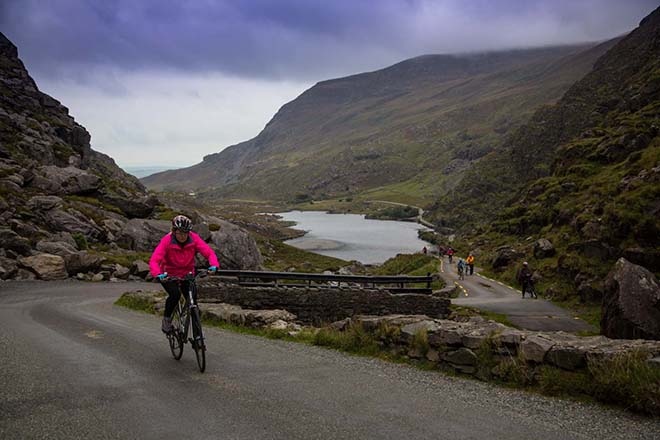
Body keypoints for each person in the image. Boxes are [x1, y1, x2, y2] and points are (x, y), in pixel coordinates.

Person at [149, 215, 219, 333]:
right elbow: (154, 260)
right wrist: (158, 274)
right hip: (168, 274)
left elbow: (209, 253)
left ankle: (196, 331)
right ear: (174, 231)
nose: (182, 236)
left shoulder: (194, 238)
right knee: (175, 295)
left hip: (187, 273)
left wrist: (213, 265)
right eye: (180, 233)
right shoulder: (167, 240)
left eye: (185, 233)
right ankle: (167, 320)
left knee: (193, 299)